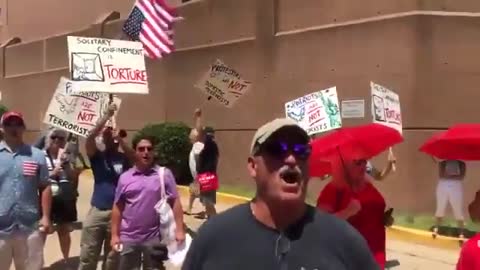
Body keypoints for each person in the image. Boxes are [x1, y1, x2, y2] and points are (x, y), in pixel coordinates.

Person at [182, 118, 379, 270]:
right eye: (277, 149)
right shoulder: (214, 236)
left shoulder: (344, 240)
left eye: (301, 150)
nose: (292, 158)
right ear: (252, 166)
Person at [111, 135, 186, 270]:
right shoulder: (125, 178)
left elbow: (175, 202)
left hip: (153, 238)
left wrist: (180, 230)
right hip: (128, 238)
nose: (145, 152)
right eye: (141, 149)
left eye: (149, 149)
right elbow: (118, 207)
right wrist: (114, 235)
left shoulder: (164, 174)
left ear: (153, 152)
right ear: (135, 152)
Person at [78, 104, 134, 270]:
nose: (109, 136)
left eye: (112, 134)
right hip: (97, 211)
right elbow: (89, 139)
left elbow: (135, 158)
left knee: (113, 258)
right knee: (88, 254)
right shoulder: (97, 157)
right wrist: (105, 117)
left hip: (119, 213)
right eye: (106, 134)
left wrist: (121, 141)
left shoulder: (124, 158)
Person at [316, 156, 393, 269]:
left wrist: (384, 219)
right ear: (345, 166)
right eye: (357, 163)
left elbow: (372, 214)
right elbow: (320, 224)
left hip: (374, 256)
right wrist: (347, 212)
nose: (363, 166)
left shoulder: (369, 187)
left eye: (364, 161)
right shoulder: (333, 189)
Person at [0, 111, 52, 270]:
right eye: (9, 124)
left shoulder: (36, 155)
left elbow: (45, 186)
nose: (13, 128)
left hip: (29, 226)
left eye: (18, 124)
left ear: (24, 128)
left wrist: (46, 217)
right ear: (2, 128)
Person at [43, 128, 83, 267]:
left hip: (64, 196)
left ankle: (66, 261)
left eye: (61, 138)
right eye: (54, 137)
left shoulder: (68, 156)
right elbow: (35, 178)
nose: (57, 140)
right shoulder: (40, 155)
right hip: (46, 195)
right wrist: (52, 173)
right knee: (42, 229)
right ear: (48, 139)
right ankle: (37, 261)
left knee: (64, 230)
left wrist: (67, 167)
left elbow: (73, 177)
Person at [432, 159, 466, 240]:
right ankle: (436, 228)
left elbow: (461, 176)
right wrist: (454, 176)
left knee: (457, 209)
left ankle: (461, 232)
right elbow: (441, 175)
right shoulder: (443, 162)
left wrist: (449, 176)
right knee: (440, 207)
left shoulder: (461, 163)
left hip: (456, 186)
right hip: (443, 184)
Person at [196, 127, 219, 219]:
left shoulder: (209, 145)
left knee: (208, 201)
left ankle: (215, 221)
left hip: (207, 176)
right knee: (207, 201)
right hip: (210, 175)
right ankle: (211, 219)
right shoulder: (214, 146)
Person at [186, 108, 203, 215]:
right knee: (194, 191)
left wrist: (198, 117)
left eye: (192, 133)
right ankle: (189, 208)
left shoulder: (198, 145)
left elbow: (199, 131)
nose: (190, 135)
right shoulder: (195, 146)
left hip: (201, 176)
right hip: (198, 176)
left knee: (203, 194)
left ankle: (210, 212)